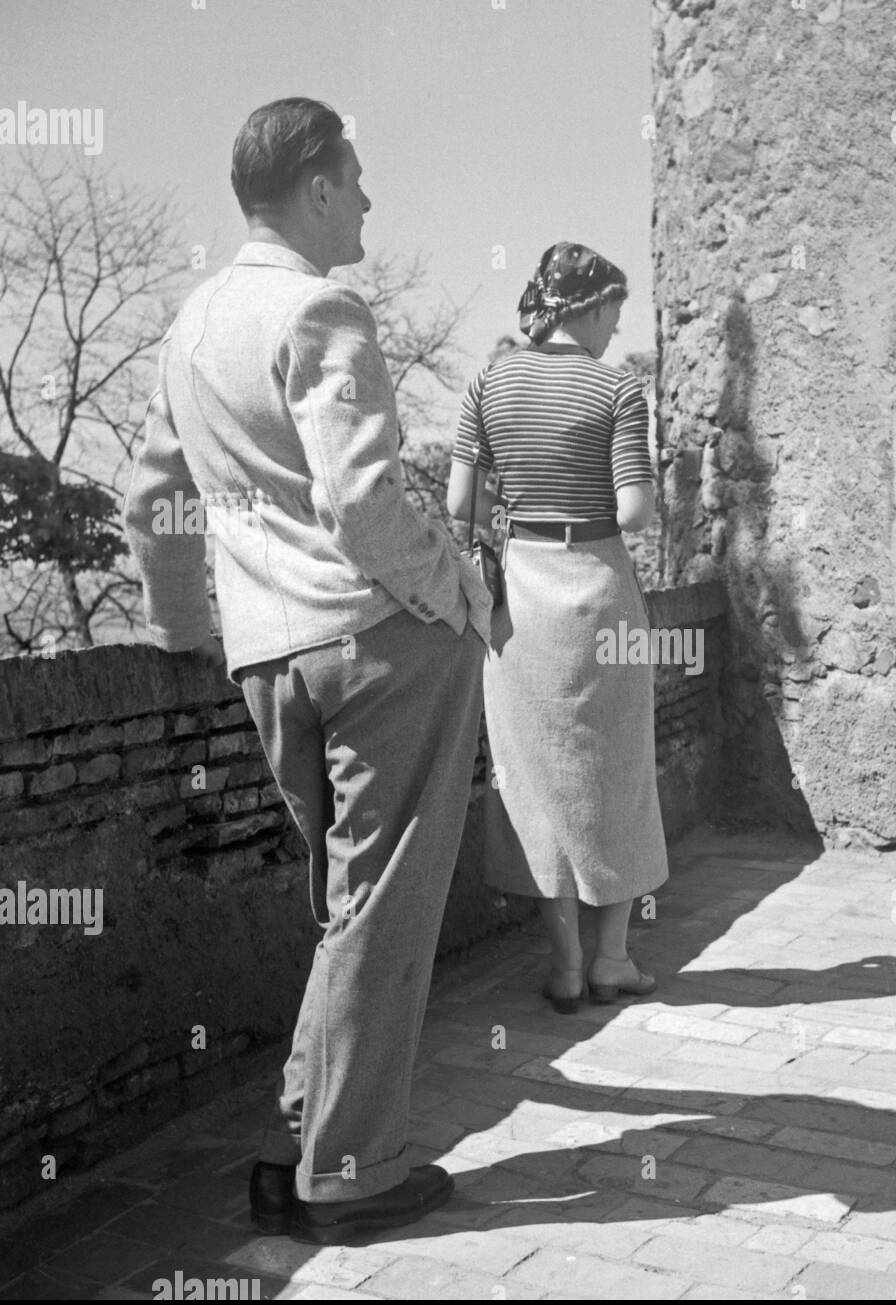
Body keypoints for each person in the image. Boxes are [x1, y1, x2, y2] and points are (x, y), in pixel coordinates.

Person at [123, 98, 491, 1245]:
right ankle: (350, 1172)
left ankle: (298, 1141)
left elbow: (149, 500)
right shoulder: (321, 306)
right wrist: (460, 594)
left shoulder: (189, 327)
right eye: (360, 179)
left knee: (344, 910)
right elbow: (362, 499)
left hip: (269, 656)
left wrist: (190, 629)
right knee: (380, 909)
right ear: (319, 188)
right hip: (378, 641)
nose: (372, 200)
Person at [447, 242, 668, 1013]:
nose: (617, 327)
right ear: (592, 306)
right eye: (615, 310)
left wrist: (517, 515)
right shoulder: (619, 390)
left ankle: (567, 966)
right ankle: (614, 958)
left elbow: (459, 502)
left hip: (521, 602)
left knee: (537, 783)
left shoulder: (490, 378)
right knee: (616, 775)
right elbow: (635, 513)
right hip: (601, 592)